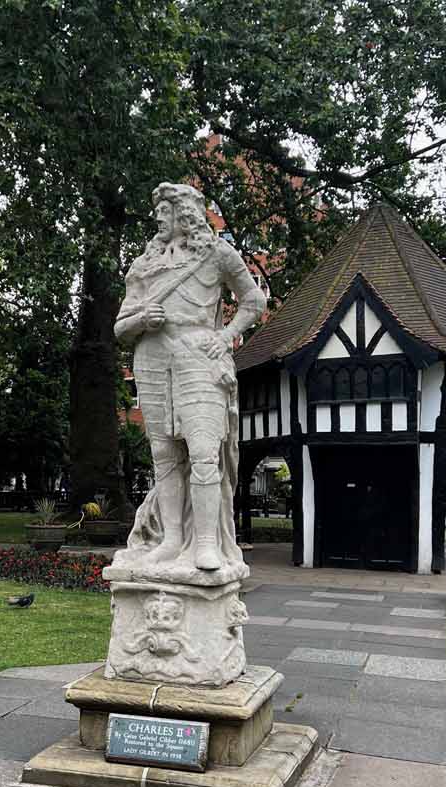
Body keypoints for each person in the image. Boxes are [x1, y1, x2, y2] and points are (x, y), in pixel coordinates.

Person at [113, 182, 267, 572]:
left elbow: (254, 300)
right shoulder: (144, 265)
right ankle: (172, 540)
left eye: (164, 210)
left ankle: (206, 544)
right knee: (164, 455)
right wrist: (141, 318)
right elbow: (120, 327)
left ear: (185, 214)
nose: (157, 218)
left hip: (199, 355)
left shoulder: (217, 254)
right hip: (152, 358)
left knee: (203, 452)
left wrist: (226, 336)